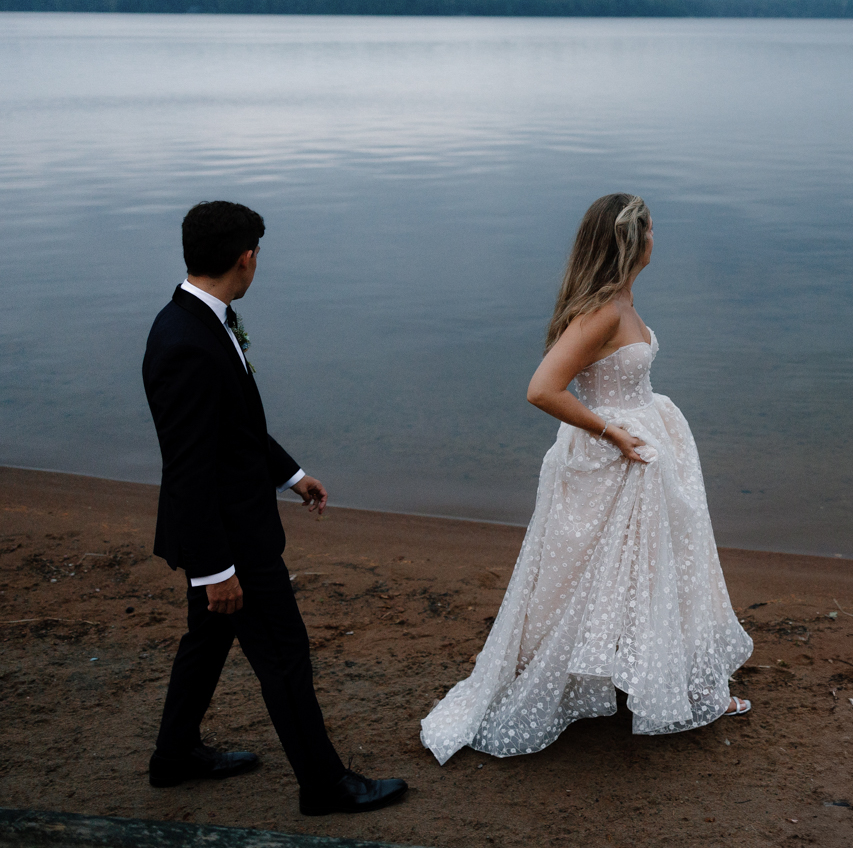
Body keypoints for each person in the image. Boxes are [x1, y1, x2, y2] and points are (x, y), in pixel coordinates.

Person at [421, 192, 753, 764]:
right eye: (650, 230)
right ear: (632, 239)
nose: (656, 239)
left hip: (640, 450)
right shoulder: (602, 311)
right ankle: (670, 688)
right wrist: (613, 433)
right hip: (621, 458)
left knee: (643, 570)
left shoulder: (621, 301)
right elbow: (542, 389)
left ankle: (653, 678)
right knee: (627, 569)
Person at [142, 200, 406, 815]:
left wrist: (290, 474)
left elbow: (233, 428)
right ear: (246, 257)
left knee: (206, 642)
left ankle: (174, 755)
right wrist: (216, 570)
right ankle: (324, 785)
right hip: (230, 540)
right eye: (258, 253)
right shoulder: (186, 341)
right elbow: (188, 465)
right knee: (285, 657)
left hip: (225, 526)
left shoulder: (200, 319)